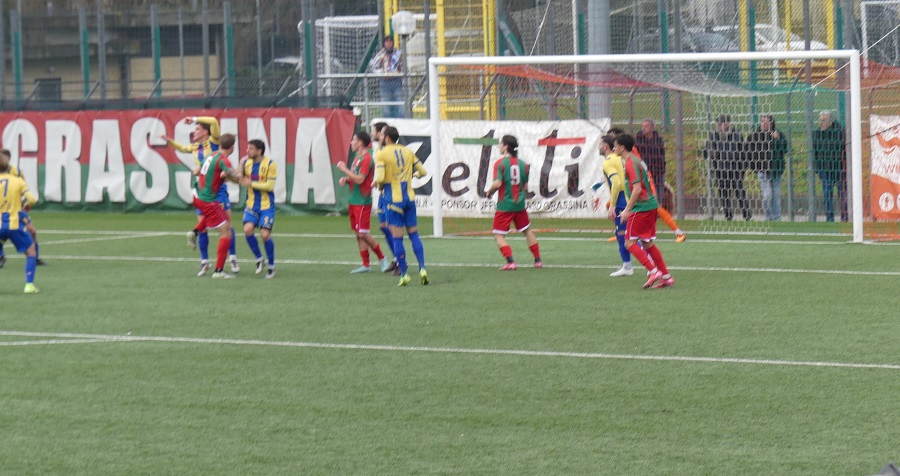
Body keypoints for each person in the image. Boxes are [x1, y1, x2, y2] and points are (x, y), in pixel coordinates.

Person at [163, 116, 239, 276]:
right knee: (217, 226)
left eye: (197, 129)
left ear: (206, 132)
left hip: (216, 189)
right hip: (205, 189)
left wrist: (194, 118)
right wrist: (170, 141)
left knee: (227, 225)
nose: (194, 132)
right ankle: (205, 262)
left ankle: (232, 257)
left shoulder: (213, 141)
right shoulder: (196, 146)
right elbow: (182, 148)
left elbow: (213, 122)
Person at [616, 133, 674, 289]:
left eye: (615, 146)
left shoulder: (631, 163)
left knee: (629, 243)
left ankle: (653, 271)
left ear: (622, 148)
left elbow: (637, 189)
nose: (614, 149)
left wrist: (627, 210)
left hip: (641, 208)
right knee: (647, 243)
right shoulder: (636, 161)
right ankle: (666, 277)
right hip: (649, 206)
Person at [606, 129, 685, 242]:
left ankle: (678, 232)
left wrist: (644, 177)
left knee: (656, 207)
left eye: (611, 136)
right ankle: (622, 231)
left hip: (642, 180)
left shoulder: (628, 151)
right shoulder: (615, 153)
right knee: (610, 205)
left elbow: (637, 165)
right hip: (631, 182)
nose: (610, 140)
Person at [374, 126, 429, 286]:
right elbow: (423, 172)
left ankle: (404, 274)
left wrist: (380, 187)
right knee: (414, 235)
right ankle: (422, 268)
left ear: (387, 138)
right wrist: (414, 175)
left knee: (397, 238)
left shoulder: (381, 154)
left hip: (393, 200)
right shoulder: (407, 151)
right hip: (409, 198)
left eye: (382, 135)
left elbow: (380, 178)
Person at [186, 133, 243, 278]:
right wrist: (242, 166)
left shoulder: (211, 155)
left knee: (213, 216)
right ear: (232, 147)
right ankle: (219, 271)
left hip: (197, 195)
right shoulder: (223, 160)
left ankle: (194, 232)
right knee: (226, 232)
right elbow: (235, 175)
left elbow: (197, 171)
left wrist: (214, 176)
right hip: (208, 200)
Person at [485, 135, 543, 271]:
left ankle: (510, 262)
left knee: (499, 235)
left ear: (506, 146)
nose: (499, 146)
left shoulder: (500, 164)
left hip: (504, 206)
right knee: (527, 231)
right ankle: (538, 260)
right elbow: (525, 187)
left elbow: (497, 183)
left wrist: (489, 191)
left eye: (500, 144)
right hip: (519, 205)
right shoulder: (523, 165)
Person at [337, 131, 389, 274]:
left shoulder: (366, 158)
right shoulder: (357, 158)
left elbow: (360, 179)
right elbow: (356, 178)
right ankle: (366, 264)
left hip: (362, 201)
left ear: (360, 142)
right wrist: (347, 180)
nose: (351, 143)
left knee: (363, 233)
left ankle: (383, 258)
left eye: (353, 140)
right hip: (353, 200)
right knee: (358, 234)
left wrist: (344, 169)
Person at [0, 151, 39, 293]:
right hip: (14, 223)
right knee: (31, 251)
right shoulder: (18, 181)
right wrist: (26, 205)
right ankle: (29, 285)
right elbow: (32, 199)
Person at [239, 139, 277, 279]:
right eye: (248, 148)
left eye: (251, 149)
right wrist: (229, 176)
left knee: (265, 235)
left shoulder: (270, 164)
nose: (247, 151)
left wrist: (251, 183)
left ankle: (271, 265)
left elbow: (270, 186)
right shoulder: (245, 163)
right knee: (247, 230)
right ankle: (260, 259)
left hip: (266, 206)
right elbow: (240, 179)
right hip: (251, 205)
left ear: (259, 151)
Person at [594, 136, 632, 276]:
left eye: (600, 144)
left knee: (624, 236)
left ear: (605, 147)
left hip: (622, 200)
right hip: (629, 197)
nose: (598, 147)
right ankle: (628, 265)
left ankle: (630, 266)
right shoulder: (620, 158)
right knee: (628, 235)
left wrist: (613, 205)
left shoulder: (608, 162)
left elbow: (616, 183)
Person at [705, 115, 751, 221]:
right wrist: (711, 153)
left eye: (722, 123)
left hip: (735, 170)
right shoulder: (713, 136)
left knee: (740, 192)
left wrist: (742, 169)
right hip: (720, 170)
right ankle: (728, 215)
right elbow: (706, 153)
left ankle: (747, 215)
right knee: (724, 194)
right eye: (718, 124)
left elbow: (744, 153)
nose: (719, 126)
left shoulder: (737, 135)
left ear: (728, 124)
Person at [746, 115, 789, 221]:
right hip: (762, 171)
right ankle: (768, 216)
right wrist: (755, 168)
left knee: (776, 194)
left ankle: (777, 217)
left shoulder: (778, 134)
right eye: (762, 121)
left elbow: (785, 149)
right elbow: (748, 154)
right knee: (767, 195)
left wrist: (777, 139)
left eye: (766, 121)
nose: (764, 123)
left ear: (771, 123)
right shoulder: (754, 136)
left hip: (776, 170)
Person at [371, 122, 400, 275]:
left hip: (390, 191)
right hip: (382, 193)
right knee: (383, 226)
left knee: (393, 227)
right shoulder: (378, 149)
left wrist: (379, 182)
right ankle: (396, 258)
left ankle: (401, 260)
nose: (374, 134)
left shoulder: (389, 151)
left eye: (379, 132)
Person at [812, 110, 847, 222]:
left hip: (839, 169)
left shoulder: (839, 132)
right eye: (820, 120)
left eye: (823, 120)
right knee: (827, 195)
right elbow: (814, 152)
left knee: (843, 194)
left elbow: (845, 150)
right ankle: (829, 219)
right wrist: (817, 168)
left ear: (830, 121)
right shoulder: (817, 133)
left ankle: (845, 218)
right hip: (824, 169)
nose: (821, 123)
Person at [370, 35, 404, 118]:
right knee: (386, 106)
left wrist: (400, 75)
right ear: (384, 43)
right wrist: (383, 73)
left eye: (390, 41)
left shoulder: (399, 53)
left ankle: (401, 123)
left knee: (400, 104)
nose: (388, 43)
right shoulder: (380, 55)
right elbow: (374, 67)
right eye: (386, 41)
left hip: (396, 81)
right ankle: (387, 123)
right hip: (385, 82)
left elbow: (403, 66)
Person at [635, 119, 666, 205]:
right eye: (643, 126)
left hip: (657, 172)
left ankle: (658, 208)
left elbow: (662, 154)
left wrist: (662, 167)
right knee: (646, 193)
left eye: (646, 126)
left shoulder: (658, 140)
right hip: (644, 172)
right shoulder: (638, 140)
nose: (644, 128)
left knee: (658, 193)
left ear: (652, 128)